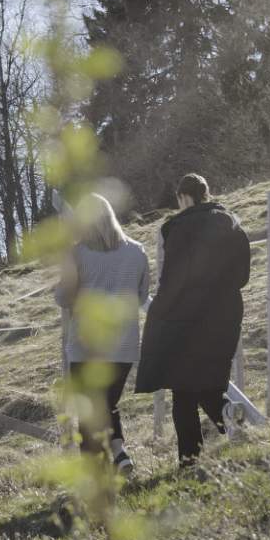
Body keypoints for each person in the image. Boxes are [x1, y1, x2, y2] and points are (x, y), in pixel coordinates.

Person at [136, 173, 251, 464]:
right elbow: (243, 276)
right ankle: (232, 422)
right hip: (225, 316)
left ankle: (190, 461)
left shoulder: (180, 228)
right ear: (206, 194)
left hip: (187, 320)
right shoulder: (231, 223)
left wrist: (160, 313)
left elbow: (173, 280)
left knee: (184, 393)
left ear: (183, 197)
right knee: (210, 384)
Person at [56, 192, 152, 471]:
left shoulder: (78, 254)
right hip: (124, 346)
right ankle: (120, 456)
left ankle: (95, 476)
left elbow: (63, 298)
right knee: (107, 403)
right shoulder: (137, 251)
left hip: (86, 346)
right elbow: (142, 293)